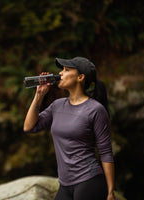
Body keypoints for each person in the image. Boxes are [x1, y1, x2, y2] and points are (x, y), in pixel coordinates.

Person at [23, 57, 115, 200]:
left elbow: (106, 152)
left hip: (88, 180)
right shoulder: (57, 105)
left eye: (66, 70)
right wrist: (39, 95)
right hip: (65, 184)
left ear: (80, 77)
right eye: (62, 70)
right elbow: (29, 127)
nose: (60, 73)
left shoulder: (95, 110)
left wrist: (110, 192)